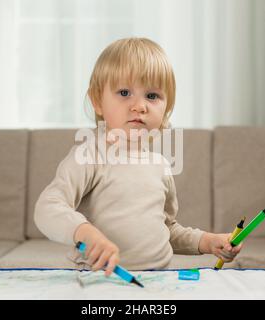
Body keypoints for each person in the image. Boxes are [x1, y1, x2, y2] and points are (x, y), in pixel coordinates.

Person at [34, 37, 242, 277]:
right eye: (124, 92)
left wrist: (208, 242)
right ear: (97, 101)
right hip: (100, 282)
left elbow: (165, 230)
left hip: (158, 282)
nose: (140, 106)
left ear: (165, 109)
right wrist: (84, 232)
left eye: (152, 96)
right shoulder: (89, 154)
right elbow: (47, 207)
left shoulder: (160, 165)